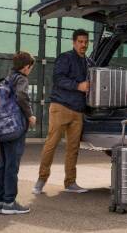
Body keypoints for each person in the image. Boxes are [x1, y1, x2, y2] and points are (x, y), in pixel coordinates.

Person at [33, 29, 92, 195]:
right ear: (74, 42)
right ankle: (41, 180)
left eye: (86, 42)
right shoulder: (65, 57)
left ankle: (70, 183)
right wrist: (78, 85)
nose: (83, 45)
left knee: (73, 148)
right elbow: (58, 78)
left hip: (78, 111)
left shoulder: (89, 62)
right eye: (80, 41)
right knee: (51, 144)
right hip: (61, 107)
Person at [0, 51, 37, 215]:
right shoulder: (22, 79)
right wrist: (30, 115)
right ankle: (10, 202)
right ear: (26, 67)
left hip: (3, 126)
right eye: (31, 67)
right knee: (12, 164)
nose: (30, 70)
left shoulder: (7, 77)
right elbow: (21, 95)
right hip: (15, 126)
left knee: (3, 163)